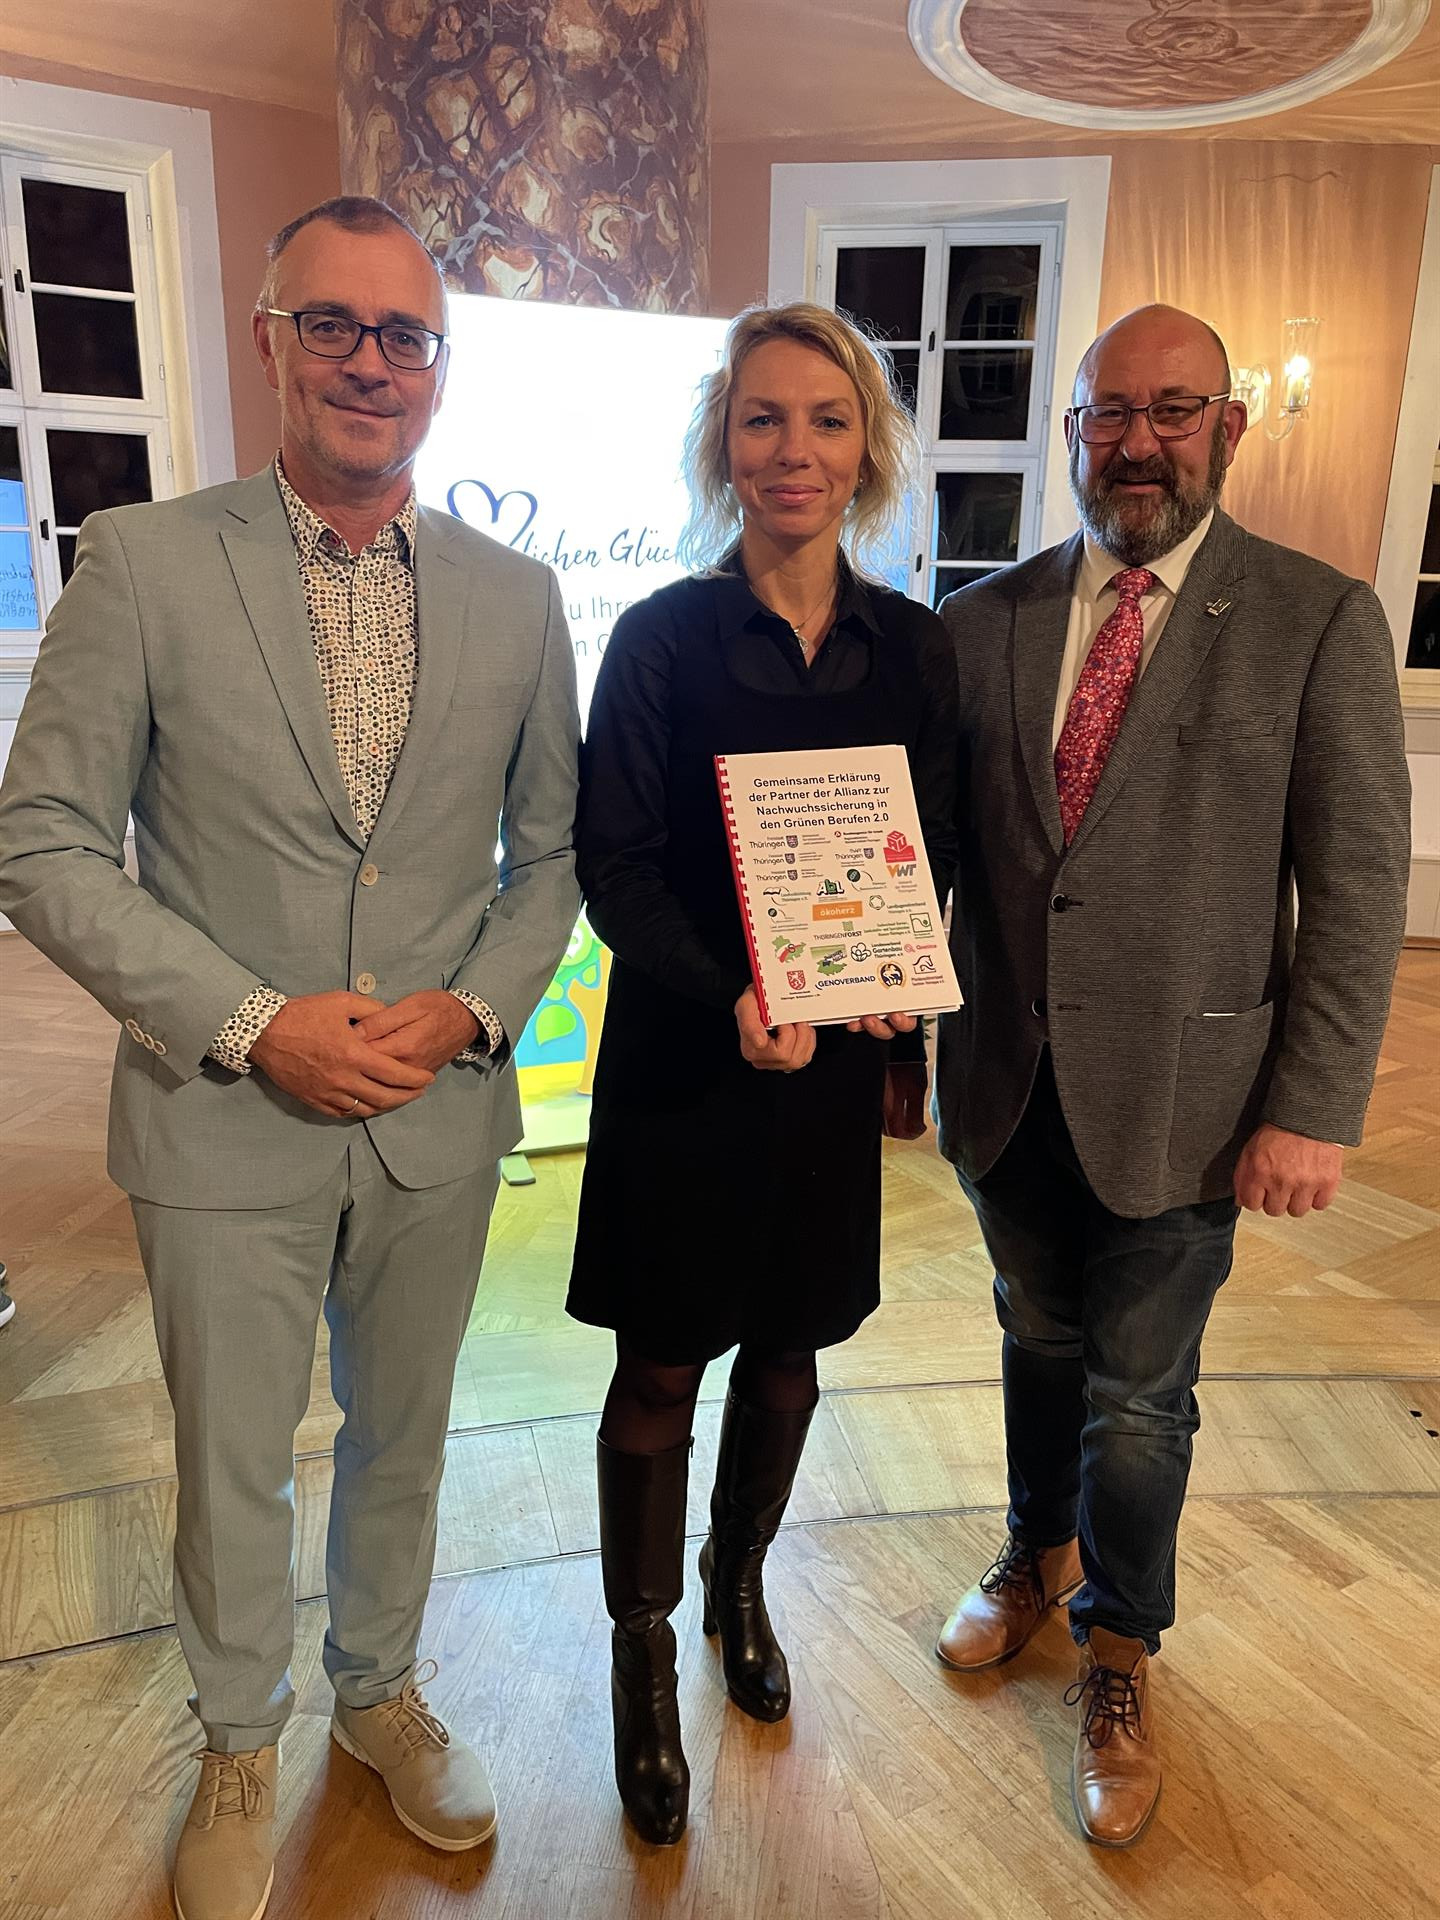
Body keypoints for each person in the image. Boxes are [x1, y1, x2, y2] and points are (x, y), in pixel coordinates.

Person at [0, 196, 580, 1919]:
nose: (369, 364)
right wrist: (255, 1022)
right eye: (331, 324)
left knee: (406, 1438)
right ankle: (239, 1741)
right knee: (234, 1457)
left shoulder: (518, 596)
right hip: (222, 1117)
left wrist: (472, 1008)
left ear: (440, 371)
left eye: (405, 336)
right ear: (270, 341)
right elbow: (40, 841)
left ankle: (379, 1693)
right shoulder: (144, 564)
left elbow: (549, 859)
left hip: (435, 1116)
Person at [930, 304, 1410, 1847]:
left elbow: (1358, 885)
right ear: (1073, 434)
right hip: (1006, 1084)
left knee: (1140, 1402)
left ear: (1229, 426)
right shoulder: (983, 621)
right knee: (1034, 1340)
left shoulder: (1318, 620)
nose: (1139, 442)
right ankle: (1036, 1552)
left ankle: (1120, 1652)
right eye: (1110, 414)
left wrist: (1314, 1108)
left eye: (1173, 410)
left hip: (1192, 1105)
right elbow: (927, 860)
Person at [566, 303, 958, 1844]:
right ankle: (641, 1656)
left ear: (867, 451)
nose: (794, 449)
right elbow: (614, 864)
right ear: (721, 447)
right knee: (661, 1367)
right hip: (685, 1061)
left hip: (821, 1080)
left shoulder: (912, 648)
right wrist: (730, 986)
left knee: (790, 1349)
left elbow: (923, 854)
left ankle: (739, 1590)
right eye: (762, 418)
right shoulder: (662, 637)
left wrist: (891, 991)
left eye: (827, 419)